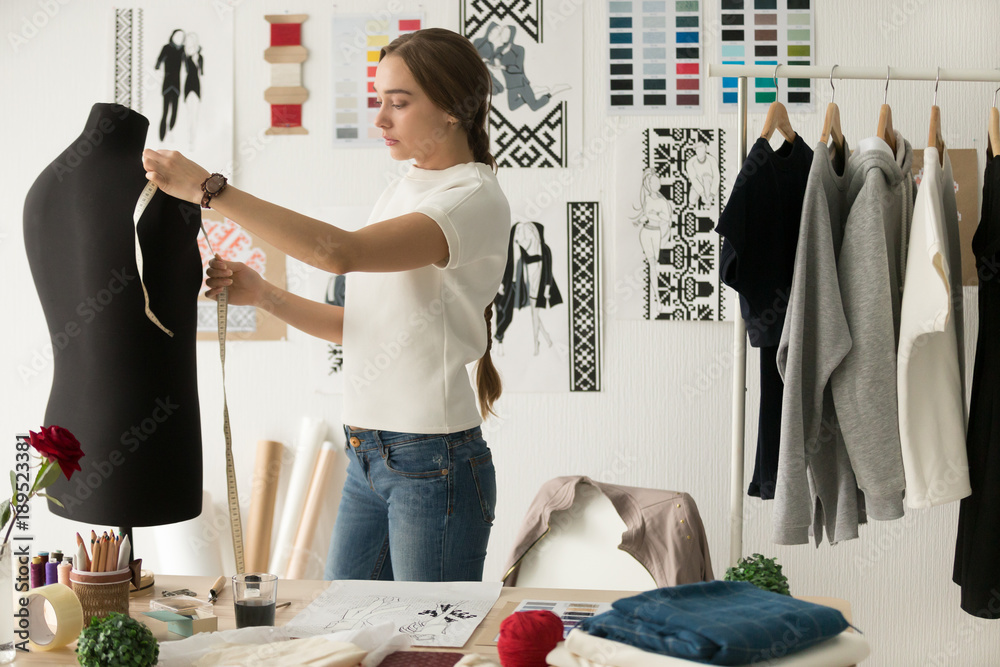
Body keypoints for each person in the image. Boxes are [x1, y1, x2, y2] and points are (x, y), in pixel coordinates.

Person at [141, 27, 510, 582]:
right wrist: (262, 294)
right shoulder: (407, 185)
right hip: (366, 451)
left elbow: (340, 253)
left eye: (399, 103)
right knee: (347, 635)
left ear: (454, 110)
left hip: (431, 463)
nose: (380, 119)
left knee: (424, 648)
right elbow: (364, 329)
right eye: (378, 101)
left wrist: (210, 190)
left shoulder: (470, 199)